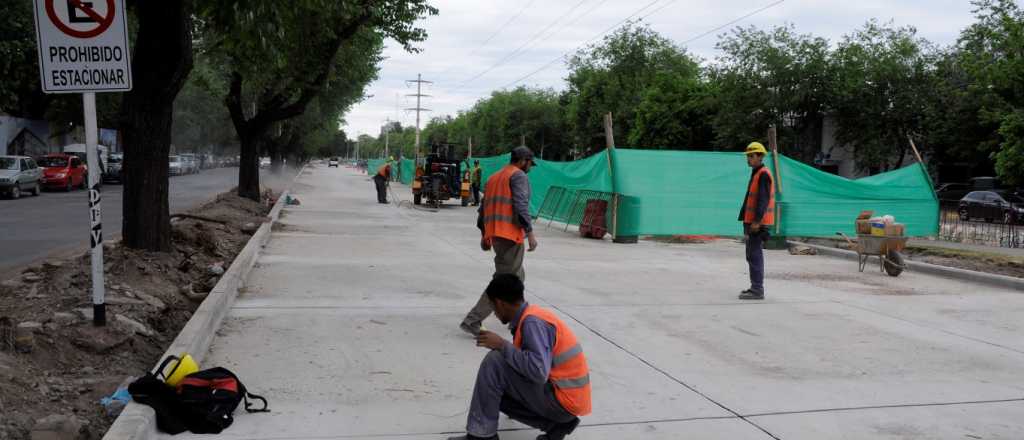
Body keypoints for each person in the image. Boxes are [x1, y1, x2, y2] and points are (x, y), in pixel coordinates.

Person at [448, 274, 591, 440]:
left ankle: (481, 437)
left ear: (500, 303)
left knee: (495, 362)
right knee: (492, 391)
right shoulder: (531, 316)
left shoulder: (532, 323)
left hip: (563, 401)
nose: (494, 313)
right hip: (567, 402)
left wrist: (502, 344)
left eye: (493, 308)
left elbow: (538, 372)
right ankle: (556, 426)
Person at [460, 147, 538, 335]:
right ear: (523, 161)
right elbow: (521, 204)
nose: (530, 168)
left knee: (517, 277)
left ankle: (518, 317)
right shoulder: (518, 176)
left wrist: (484, 235)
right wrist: (530, 232)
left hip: (497, 235)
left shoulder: (495, 177)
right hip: (510, 235)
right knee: (504, 282)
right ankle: (472, 320)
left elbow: (483, 209)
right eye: (529, 164)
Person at [737, 142, 776, 300]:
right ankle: (755, 287)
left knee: (754, 255)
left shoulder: (763, 174)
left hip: (757, 223)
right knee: (751, 255)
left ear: (760, 156)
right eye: (748, 156)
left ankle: (757, 289)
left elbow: (763, 200)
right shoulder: (756, 172)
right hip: (752, 222)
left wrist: (756, 222)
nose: (748, 158)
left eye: (751, 156)